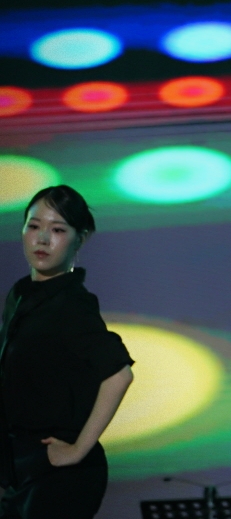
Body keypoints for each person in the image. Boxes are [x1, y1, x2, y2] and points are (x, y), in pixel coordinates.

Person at [0, 186, 134, 519]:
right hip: (20, 470)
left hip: (58, 474)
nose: (43, 238)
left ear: (80, 238)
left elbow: (119, 374)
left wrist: (77, 450)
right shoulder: (20, 296)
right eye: (34, 226)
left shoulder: (72, 304)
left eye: (58, 229)